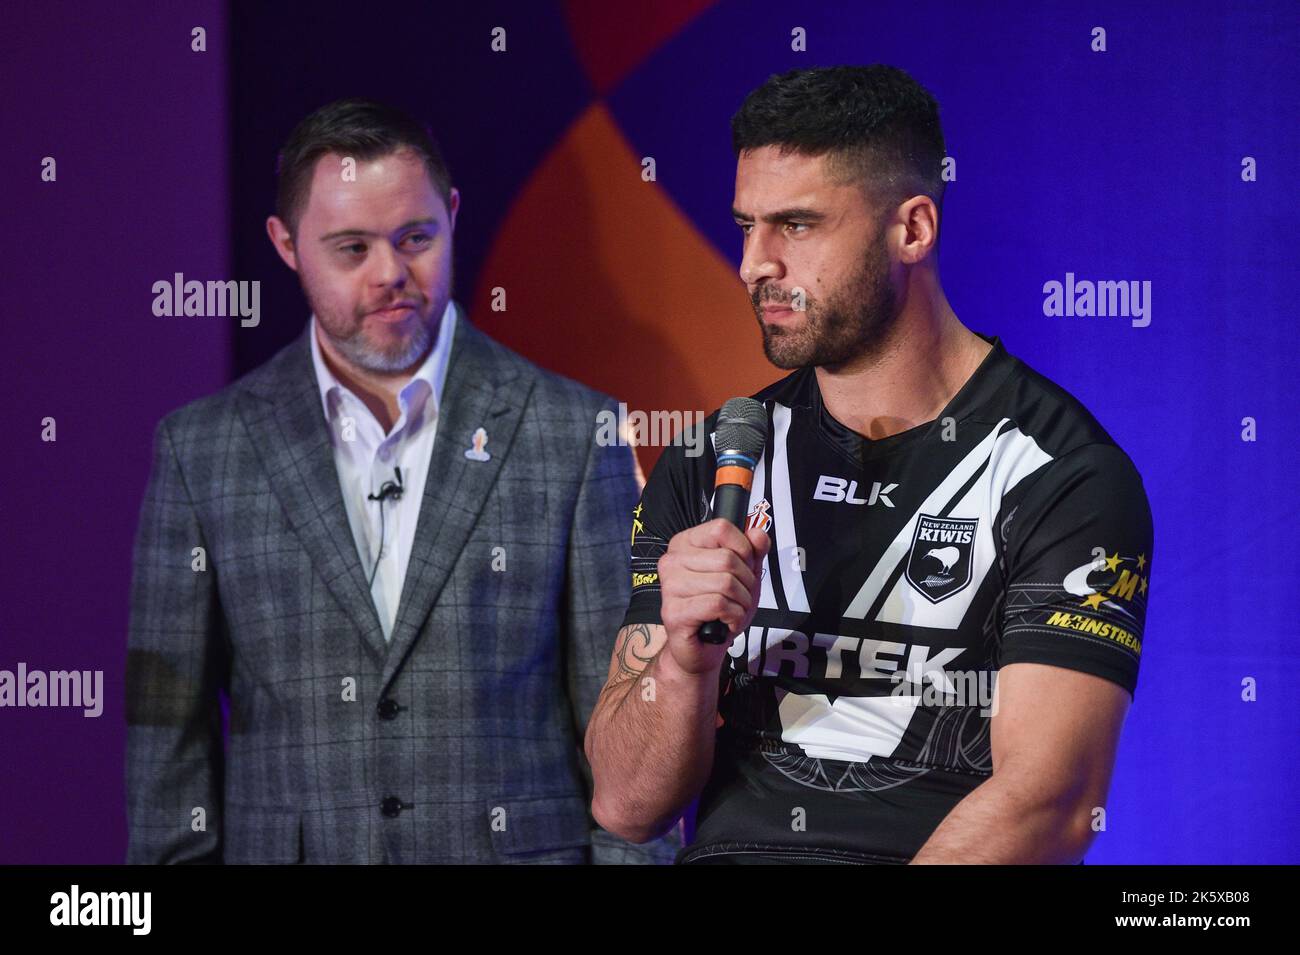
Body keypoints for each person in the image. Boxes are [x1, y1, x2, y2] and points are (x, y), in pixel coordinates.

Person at [586, 66, 1153, 864]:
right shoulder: (713, 461)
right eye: (747, 224)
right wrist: (685, 657)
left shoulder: (1063, 475)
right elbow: (625, 804)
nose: (754, 263)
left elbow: (1048, 803)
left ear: (913, 229)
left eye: (797, 225)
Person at [125, 97, 677, 864]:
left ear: (451, 214)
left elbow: (629, 737)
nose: (391, 273)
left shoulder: (573, 433)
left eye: (415, 237)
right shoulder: (201, 450)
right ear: (285, 245)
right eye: (350, 248)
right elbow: (166, 738)